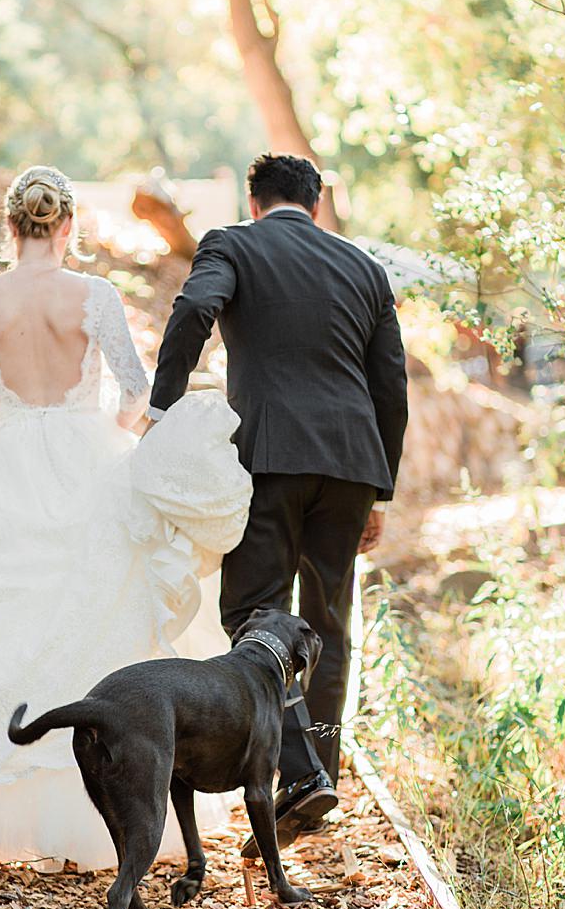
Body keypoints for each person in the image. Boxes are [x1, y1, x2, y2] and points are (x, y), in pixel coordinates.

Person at [0, 166, 251, 871]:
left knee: (7, 637)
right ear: (66, 227)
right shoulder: (95, 295)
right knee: (100, 633)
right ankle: (106, 821)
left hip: (2, 465)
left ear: (10, 225)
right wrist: (107, 435)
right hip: (89, 467)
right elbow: (137, 392)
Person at [149, 153, 408, 855]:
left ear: (253, 201)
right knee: (328, 616)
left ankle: (297, 774)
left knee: (252, 611)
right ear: (316, 205)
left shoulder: (232, 243)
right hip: (352, 463)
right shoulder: (364, 269)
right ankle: (317, 766)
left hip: (268, 456)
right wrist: (379, 487)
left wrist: (162, 406)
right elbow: (391, 387)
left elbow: (197, 307)